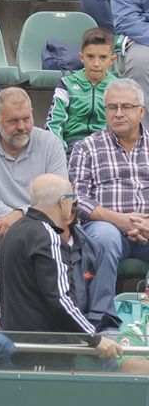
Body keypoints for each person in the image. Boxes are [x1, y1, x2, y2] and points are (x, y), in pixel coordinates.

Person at [0, 172, 119, 352]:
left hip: (17, 345)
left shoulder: (15, 231)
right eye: (72, 198)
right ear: (63, 202)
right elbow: (61, 298)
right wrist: (93, 337)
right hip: (49, 350)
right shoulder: (49, 237)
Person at [70, 78, 149, 314]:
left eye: (126, 107)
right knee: (105, 237)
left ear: (141, 111)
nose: (118, 113)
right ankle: (101, 317)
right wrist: (120, 220)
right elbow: (77, 199)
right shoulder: (86, 147)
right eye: (112, 107)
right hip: (106, 228)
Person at [0, 87, 68, 238]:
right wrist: (13, 217)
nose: (21, 127)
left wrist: (21, 214)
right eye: (13, 121)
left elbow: (60, 197)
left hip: (44, 219)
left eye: (26, 119)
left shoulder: (51, 143)